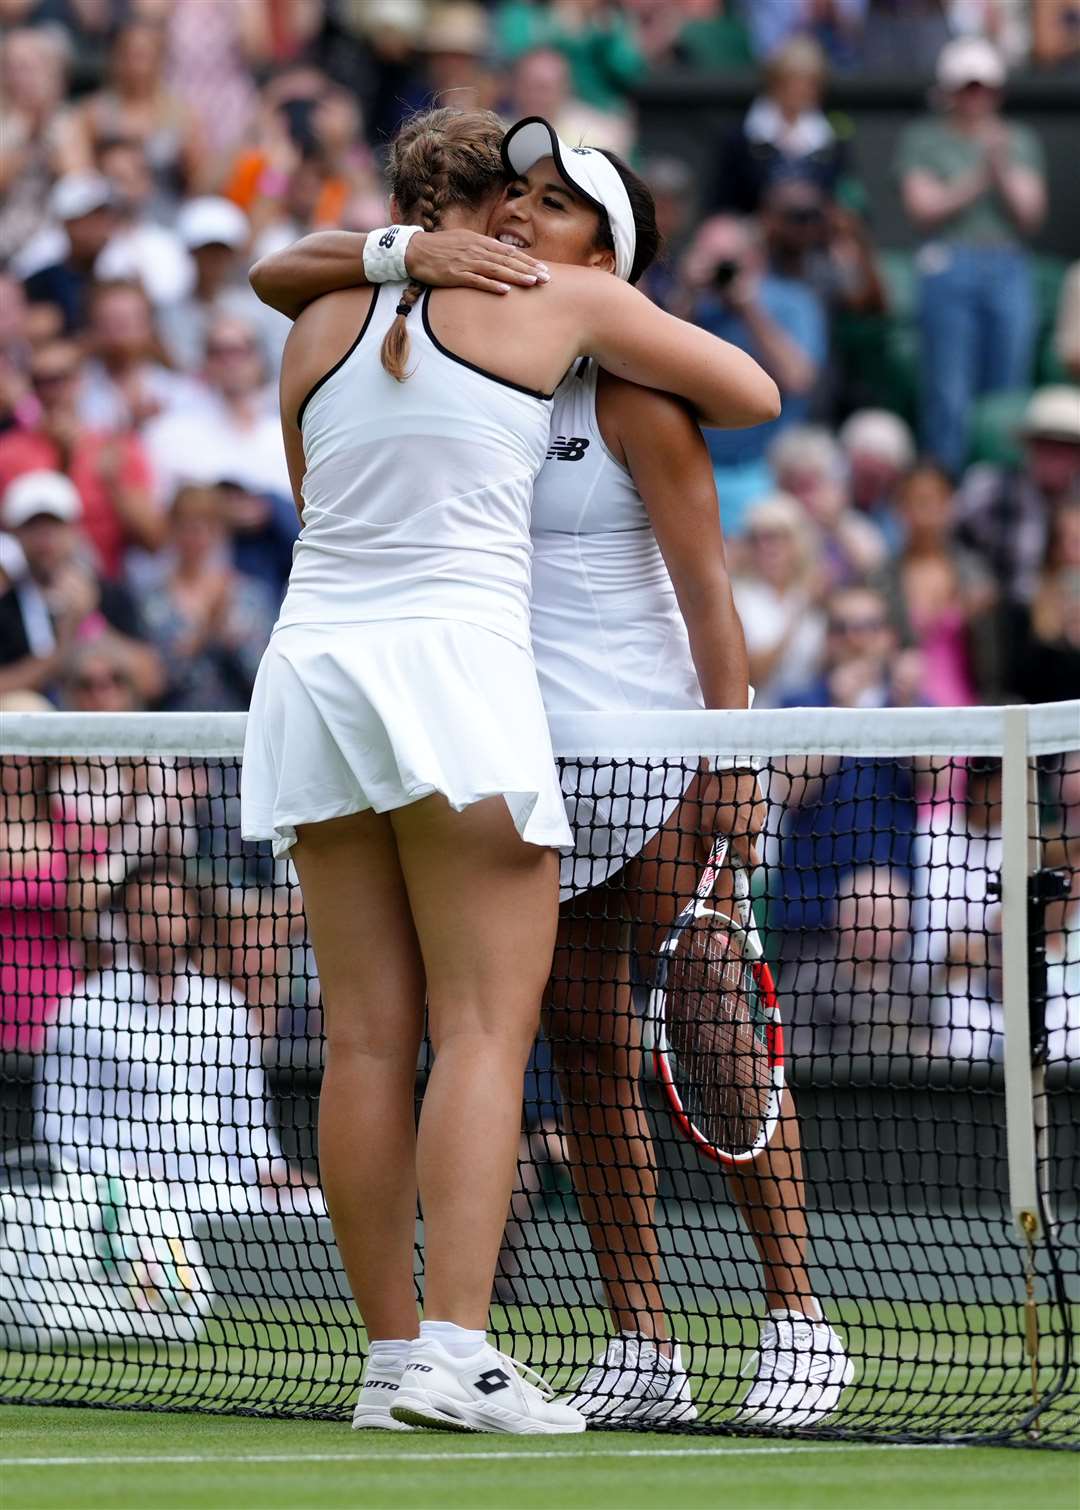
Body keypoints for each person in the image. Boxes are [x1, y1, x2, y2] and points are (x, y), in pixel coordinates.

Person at [251, 113, 848, 1429]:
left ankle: (793, 1310)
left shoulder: (585, 357)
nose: (524, 216)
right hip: (487, 731)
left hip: (601, 734)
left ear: (610, 250)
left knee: (698, 1029)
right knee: (549, 1042)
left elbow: (711, 573)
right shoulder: (481, 326)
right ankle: (599, 1338)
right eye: (510, 197)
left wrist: (728, 750)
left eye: (555, 202)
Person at [896, 36, 1047, 476]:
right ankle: (948, 486)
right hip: (949, 262)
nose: (976, 97)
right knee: (948, 390)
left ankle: (1002, 480)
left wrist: (1000, 170)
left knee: (1007, 385)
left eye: (984, 87)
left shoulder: (1018, 139)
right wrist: (982, 176)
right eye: (967, 87)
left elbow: (1030, 213)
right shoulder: (923, 138)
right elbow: (922, 208)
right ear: (949, 91)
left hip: (1008, 265)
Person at [676, 213, 827, 531]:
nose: (717, 270)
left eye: (725, 261)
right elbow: (656, 364)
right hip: (692, 465)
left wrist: (749, 309)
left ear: (753, 258)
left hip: (766, 467)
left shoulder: (792, 300)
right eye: (708, 258)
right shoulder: (692, 305)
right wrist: (687, 294)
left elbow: (798, 378)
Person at [0, 338, 162, 580]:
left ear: (81, 380)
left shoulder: (116, 447)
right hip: (30, 585)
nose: (50, 390)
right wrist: (63, 459)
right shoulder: (8, 452)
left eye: (60, 378)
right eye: (40, 381)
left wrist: (114, 485)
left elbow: (154, 540)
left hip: (108, 585)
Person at [881, 461, 997, 707]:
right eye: (914, 500)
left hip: (968, 705)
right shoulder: (881, 577)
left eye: (933, 500)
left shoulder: (976, 574)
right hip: (903, 707)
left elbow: (993, 657)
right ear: (898, 508)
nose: (924, 510)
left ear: (950, 504)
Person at [715, 36, 849, 214]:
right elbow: (722, 202)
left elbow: (842, 196)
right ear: (775, 82)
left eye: (810, 84)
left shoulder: (832, 140)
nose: (801, 90)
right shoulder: (739, 138)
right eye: (793, 82)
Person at [732, 491, 827, 709]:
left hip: (810, 713)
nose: (767, 547)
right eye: (757, 538)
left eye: (778, 537)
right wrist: (797, 615)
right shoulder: (739, 597)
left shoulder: (813, 594)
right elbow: (753, 673)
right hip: (761, 715)